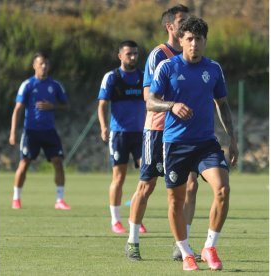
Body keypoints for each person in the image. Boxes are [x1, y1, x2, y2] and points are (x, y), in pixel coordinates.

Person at [146, 17, 238, 271]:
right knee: (176, 201)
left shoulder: (214, 69)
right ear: (181, 40)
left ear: (205, 41)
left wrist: (232, 137)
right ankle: (186, 251)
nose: (194, 44)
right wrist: (171, 105)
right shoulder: (167, 67)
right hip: (175, 144)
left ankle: (210, 246)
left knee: (223, 189)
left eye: (199, 39)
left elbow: (222, 104)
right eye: (189, 39)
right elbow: (151, 102)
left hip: (206, 143)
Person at [125, 4, 200, 262]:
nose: (187, 23)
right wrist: (173, 105)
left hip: (185, 133)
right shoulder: (159, 55)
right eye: (182, 20)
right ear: (170, 26)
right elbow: (148, 96)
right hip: (157, 130)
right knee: (147, 185)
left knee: (191, 185)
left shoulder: (194, 56)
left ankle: (182, 245)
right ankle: (132, 240)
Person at [9, 52, 71, 210]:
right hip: (31, 131)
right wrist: (12, 132)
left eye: (46, 64)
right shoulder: (28, 85)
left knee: (58, 162)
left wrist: (53, 106)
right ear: (34, 65)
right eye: (41, 63)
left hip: (49, 131)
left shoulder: (55, 85)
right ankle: (16, 198)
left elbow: (66, 106)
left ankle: (59, 200)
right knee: (24, 163)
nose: (44, 66)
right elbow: (17, 109)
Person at [97, 40, 146, 234]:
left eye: (135, 53)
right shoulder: (112, 78)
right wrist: (103, 127)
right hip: (119, 134)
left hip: (141, 134)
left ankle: (136, 216)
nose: (133, 57)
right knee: (119, 177)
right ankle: (115, 221)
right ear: (120, 56)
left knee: (146, 176)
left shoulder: (143, 77)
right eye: (129, 54)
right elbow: (102, 104)